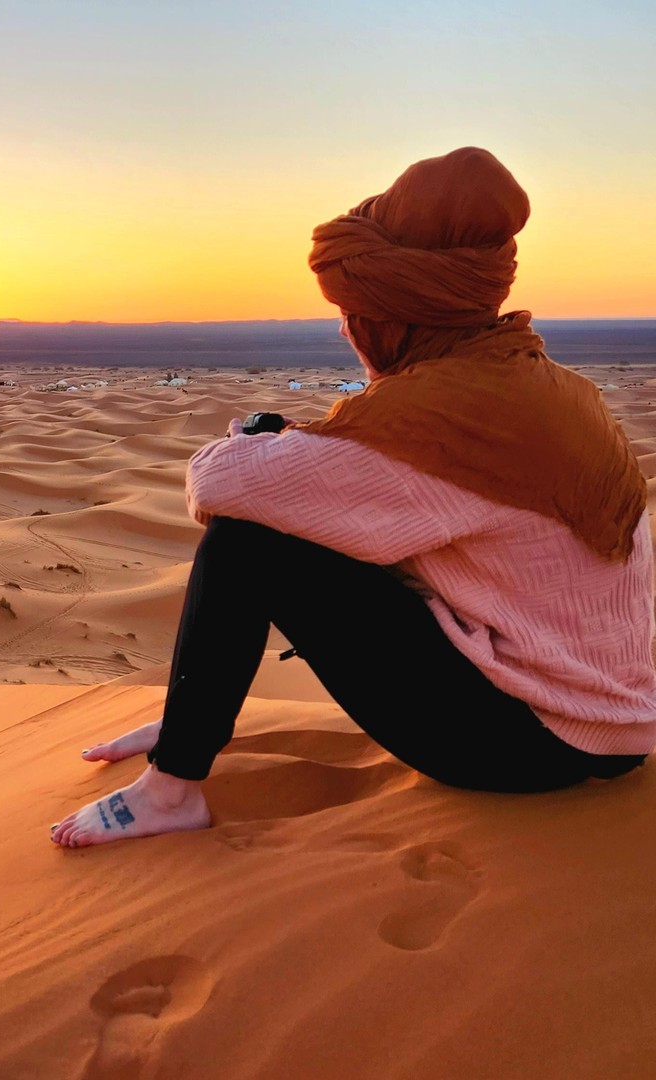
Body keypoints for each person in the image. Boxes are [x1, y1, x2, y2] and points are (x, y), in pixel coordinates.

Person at [51, 147, 656, 849]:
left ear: (394, 317)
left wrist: (254, 443)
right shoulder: (539, 386)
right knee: (308, 525)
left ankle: (171, 787)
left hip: (533, 746)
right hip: (619, 728)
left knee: (248, 543)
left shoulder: (440, 422)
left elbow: (217, 486)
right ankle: (196, 714)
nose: (346, 329)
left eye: (355, 312)